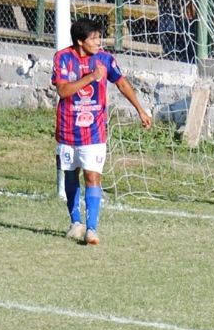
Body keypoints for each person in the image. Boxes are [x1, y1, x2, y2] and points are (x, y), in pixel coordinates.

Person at [51, 18, 152, 245]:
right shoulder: (63, 58)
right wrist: (90, 78)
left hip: (94, 131)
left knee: (93, 175)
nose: (99, 42)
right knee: (70, 174)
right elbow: (63, 91)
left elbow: (122, 83)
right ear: (79, 41)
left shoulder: (105, 59)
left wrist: (140, 110)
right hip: (68, 129)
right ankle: (75, 222)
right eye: (94, 38)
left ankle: (92, 229)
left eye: (99, 37)